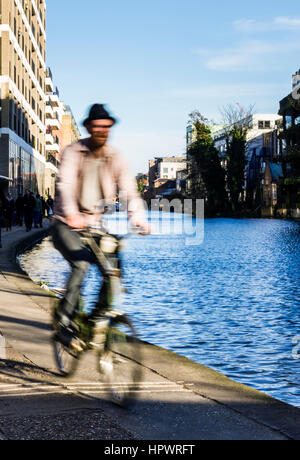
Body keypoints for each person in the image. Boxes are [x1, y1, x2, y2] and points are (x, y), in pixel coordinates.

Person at [51, 103, 150, 342]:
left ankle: (95, 320)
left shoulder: (115, 157)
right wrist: (72, 213)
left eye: (106, 127)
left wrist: (138, 217)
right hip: (65, 223)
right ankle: (64, 319)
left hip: (94, 226)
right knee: (81, 265)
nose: (102, 132)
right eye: (97, 127)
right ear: (88, 127)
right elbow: (64, 184)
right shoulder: (74, 152)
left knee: (113, 268)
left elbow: (128, 190)